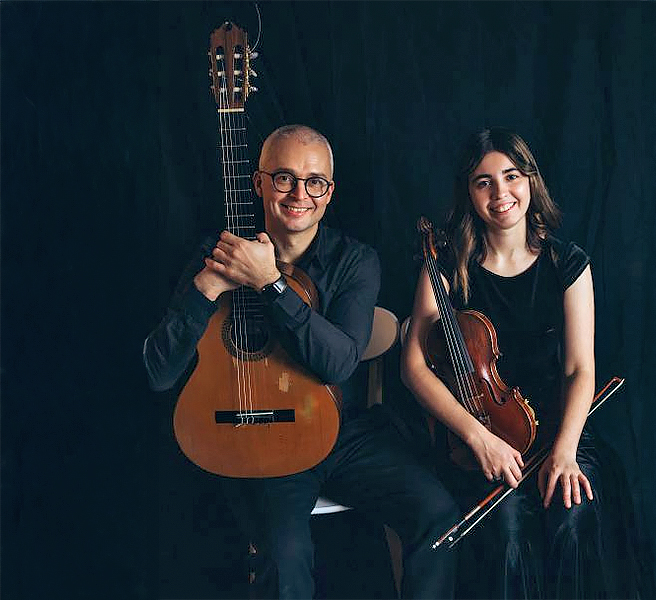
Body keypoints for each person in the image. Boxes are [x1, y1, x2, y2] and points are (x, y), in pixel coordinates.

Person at [143, 124, 459, 599]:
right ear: (258, 183)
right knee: (284, 553)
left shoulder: (355, 262)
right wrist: (207, 287)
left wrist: (270, 283)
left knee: (438, 514)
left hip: (346, 433)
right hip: (262, 439)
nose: (299, 194)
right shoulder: (218, 254)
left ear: (329, 192)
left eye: (314, 182)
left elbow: (338, 364)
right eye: (284, 177)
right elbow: (159, 372)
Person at [401, 127, 639, 599]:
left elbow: (579, 370)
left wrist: (565, 451)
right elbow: (415, 369)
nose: (500, 193)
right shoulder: (446, 263)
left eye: (511, 176)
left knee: (571, 517)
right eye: (483, 181)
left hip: (559, 428)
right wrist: (479, 439)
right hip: (480, 434)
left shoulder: (566, 264)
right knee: (505, 531)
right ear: (468, 193)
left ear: (531, 181)